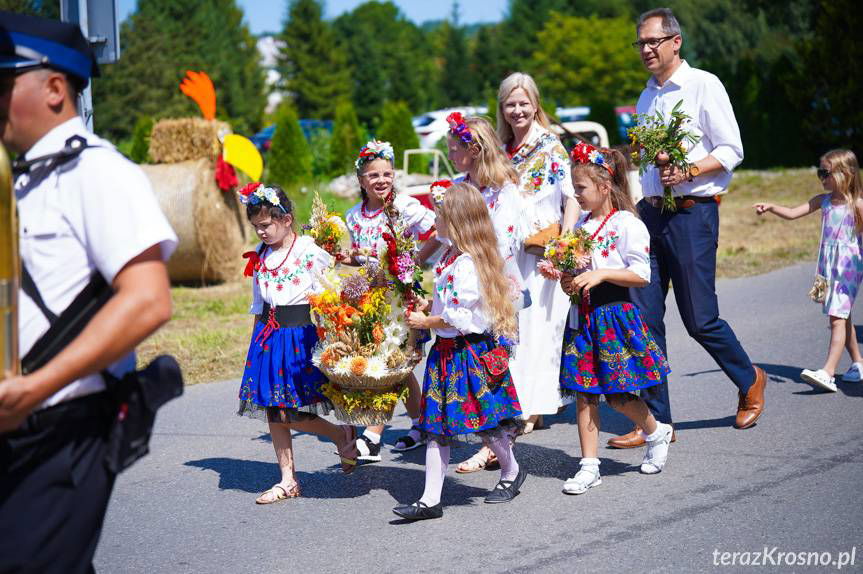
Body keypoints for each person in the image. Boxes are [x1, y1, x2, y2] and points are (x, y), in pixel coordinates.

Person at [0, 12, 177, 572]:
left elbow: (148, 299)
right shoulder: (22, 179)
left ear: (55, 88)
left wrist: (34, 387)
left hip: (61, 430)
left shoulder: (99, 173)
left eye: (2, 85)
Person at [609, 7, 767, 449]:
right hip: (651, 215)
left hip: (694, 212)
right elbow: (644, 163)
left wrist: (690, 169)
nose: (645, 49)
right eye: (640, 43)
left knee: (700, 318)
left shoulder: (703, 85)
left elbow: (732, 148)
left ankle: (750, 377)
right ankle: (657, 423)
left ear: (675, 41)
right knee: (643, 320)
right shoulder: (646, 97)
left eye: (653, 41)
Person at [395, 182, 525, 520]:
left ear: (458, 220)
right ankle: (430, 499)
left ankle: (511, 470)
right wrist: (427, 306)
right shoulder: (450, 257)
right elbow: (449, 306)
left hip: (469, 351)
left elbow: (462, 318)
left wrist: (426, 321)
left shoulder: (468, 263)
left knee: (485, 422)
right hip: (446, 350)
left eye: (440, 214)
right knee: (436, 425)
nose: (434, 219)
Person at [558, 143, 673, 494]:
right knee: (584, 392)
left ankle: (656, 431)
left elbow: (641, 274)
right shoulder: (580, 226)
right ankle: (589, 465)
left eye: (580, 188)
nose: (575, 195)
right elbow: (578, 274)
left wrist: (602, 274)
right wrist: (568, 280)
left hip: (614, 317)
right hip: (585, 316)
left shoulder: (626, 223)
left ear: (604, 187)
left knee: (620, 395)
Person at [237, 183, 358, 503]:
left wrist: (338, 333)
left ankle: (338, 433)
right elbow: (259, 304)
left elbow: (332, 288)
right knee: (273, 411)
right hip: (268, 338)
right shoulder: (260, 255)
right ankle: (288, 479)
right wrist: (254, 346)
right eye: (256, 227)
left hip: (299, 337)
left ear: (286, 219)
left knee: (289, 410)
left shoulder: (307, 250)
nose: (260, 232)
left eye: (265, 225)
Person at [497, 72, 581, 434]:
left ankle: (533, 407)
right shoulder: (502, 149)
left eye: (523, 103)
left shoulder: (550, 146)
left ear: (536, 104)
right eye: (511, 104)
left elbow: (572, 197)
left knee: (541, 325)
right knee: (516, 327)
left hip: (542, 250)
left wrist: (565, 243)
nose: (518, 110)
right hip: (510, 251)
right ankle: (527, 401)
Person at [444, 113, 528, 473]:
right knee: (474, 367)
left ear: (474, 149)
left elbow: (503, 243)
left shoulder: (503, 192)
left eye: (454, 148)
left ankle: (498, 443)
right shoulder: (459, 187)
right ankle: (497, 439)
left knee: (491, 366)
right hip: (463, 282)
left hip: (492, 285)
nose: (450, 154)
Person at [343, 140, 435, 459]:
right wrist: (349, 258)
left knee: (391, 363)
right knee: (399, 368)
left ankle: (372, 434)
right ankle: (421, 423)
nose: (381, 180)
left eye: (387, 173)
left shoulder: (406, 206)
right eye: (373, 175)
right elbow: (363, 257)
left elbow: (438, 231)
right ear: (361, 180)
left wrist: (411, 262)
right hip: (372, 303)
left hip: (401, 299)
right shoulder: (354, 215)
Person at [754, 149, 863, 392]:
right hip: (827, 267)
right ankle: (858, 363)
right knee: (841, 316)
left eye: (826, 173)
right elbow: (793, 213)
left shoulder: (857, 205)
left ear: (846, 174)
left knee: (836, 318)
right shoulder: (822, 201)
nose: (821, 177)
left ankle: (828, 372)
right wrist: (772, 207)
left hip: (847, 269)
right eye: (819, 172)